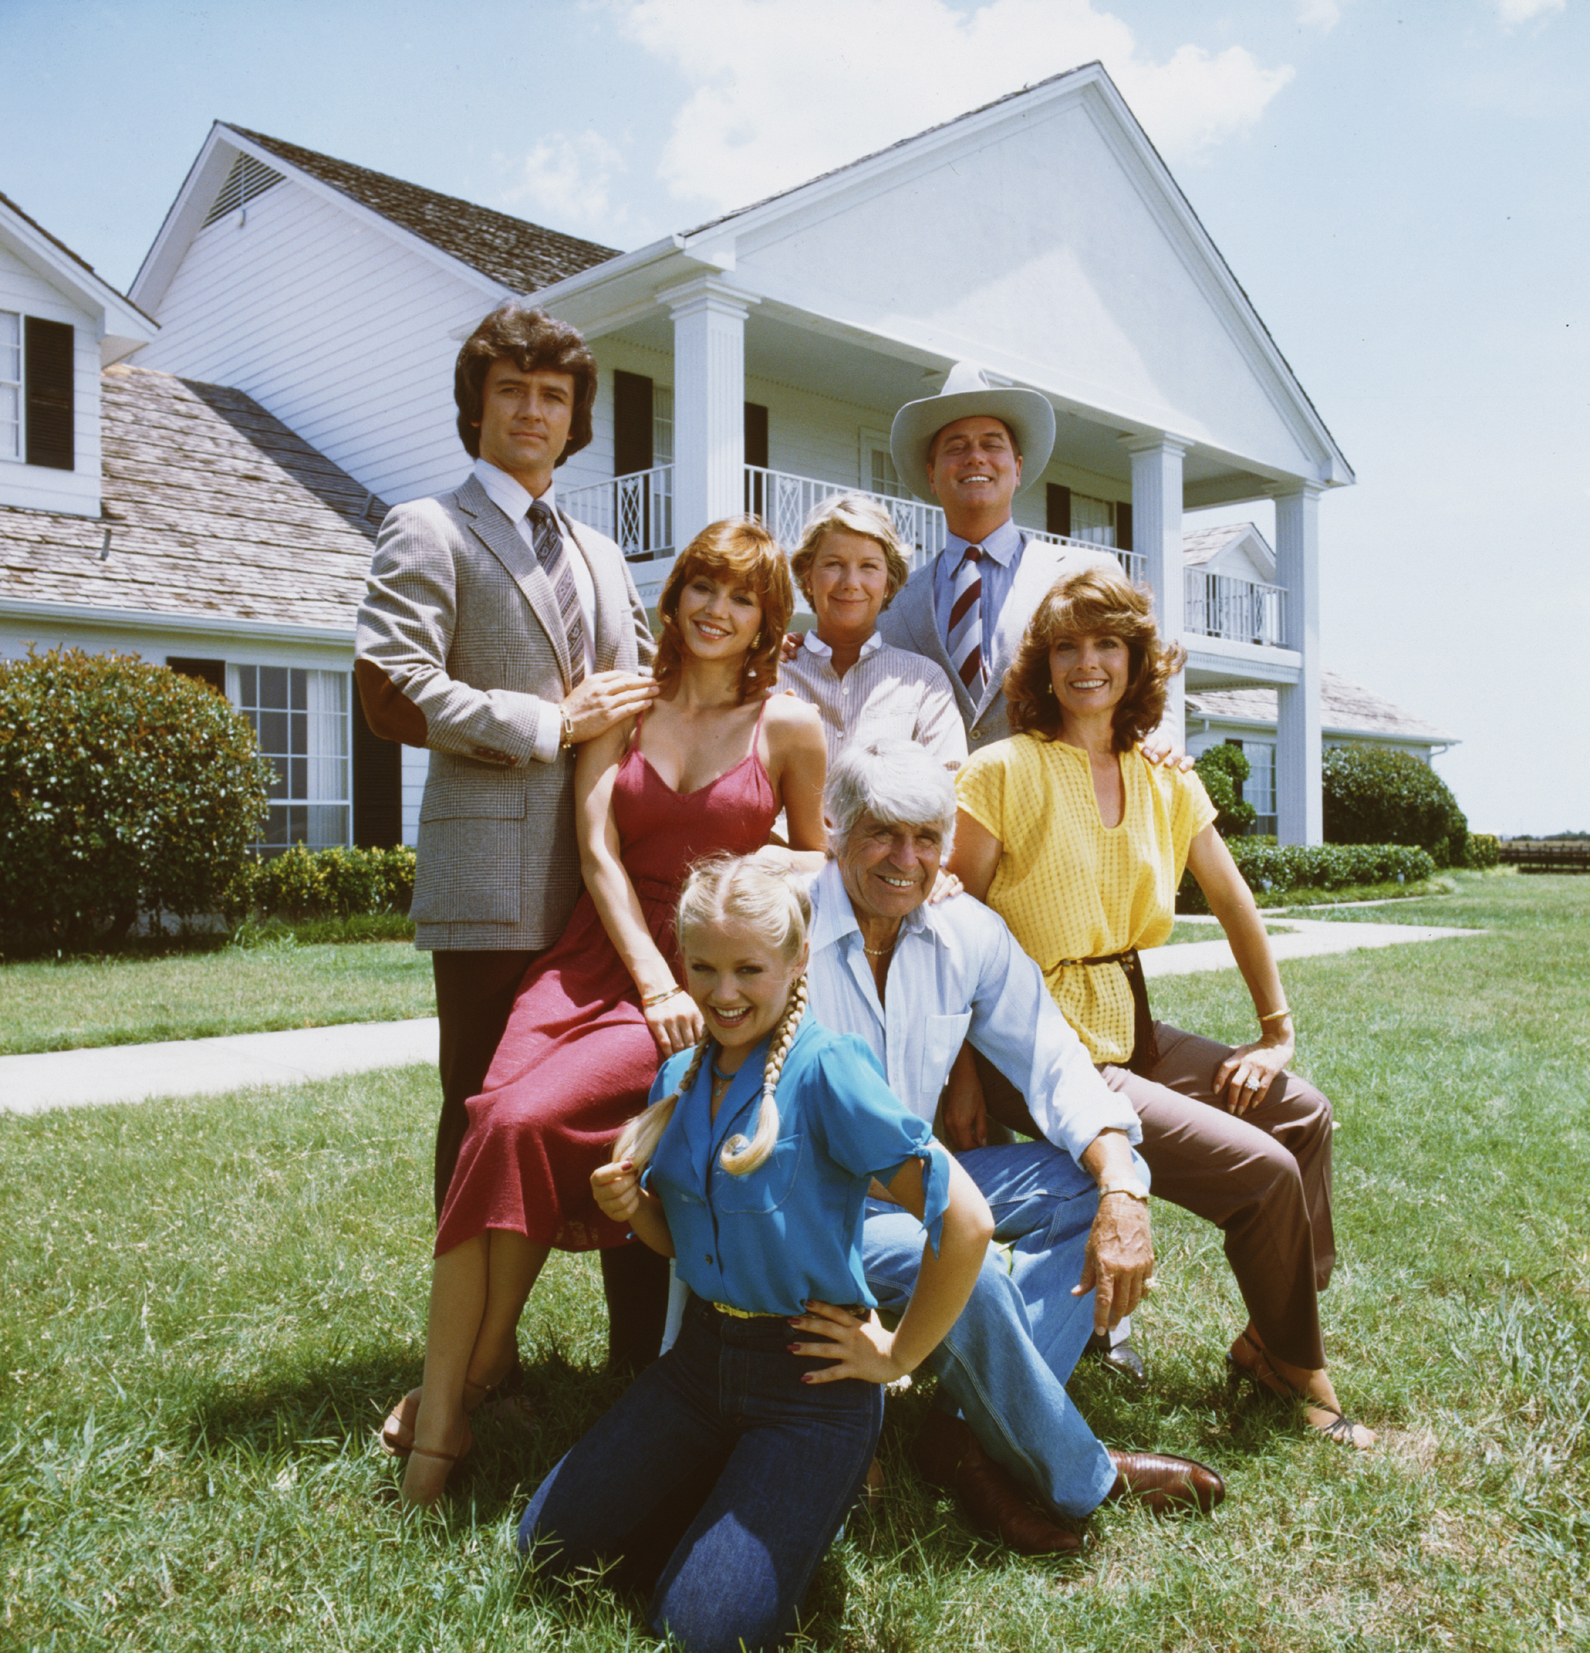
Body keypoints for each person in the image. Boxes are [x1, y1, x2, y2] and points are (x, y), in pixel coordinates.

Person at [387, 519, 829, 1501]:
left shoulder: (791, 727)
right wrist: (649, 977)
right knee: (496, 1123)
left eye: (742, 598)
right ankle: (467, 1379)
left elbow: (819, 856)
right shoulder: (626, 708)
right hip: (600, 960)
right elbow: (595, 854)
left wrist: (757, 876)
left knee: (524, 1123)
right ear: (671, 601)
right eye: (701, 589)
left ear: (767, 621)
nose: (717, 610)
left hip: (711, 980)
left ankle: (461, 1388)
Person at [517, 855, 994, 1653]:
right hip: (700, 1363)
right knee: (550, 1549)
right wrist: (637, 1209)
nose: (723, 992)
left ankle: (771, 1500)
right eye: (702, 967)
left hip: (810, 1382)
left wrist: (896, 1351)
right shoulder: (678, 1072)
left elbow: (968, 1221)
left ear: (796, 961)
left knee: (699, 1635)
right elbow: (695, 1245)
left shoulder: (827, 1068)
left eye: (748, 969)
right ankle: (723, 1490)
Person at [949, 566, 1374, 1449]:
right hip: (1038, 1043)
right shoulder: (1001, 770)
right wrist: (962, 1076)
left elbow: (1232, 898)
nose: (1087, 663)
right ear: (1044, 665)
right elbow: (948, 934)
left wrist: (1277, 1032)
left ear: (1138, 662)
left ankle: (1268, 1333)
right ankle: (1300, 1365)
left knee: (1301, 1116)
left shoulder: (1163, 776)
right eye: (1066, 646)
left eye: (1107, 644)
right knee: (1260, 1172)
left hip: (1127, 1018)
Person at [800, 738, 1224, 1556]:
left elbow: (1054, 1061)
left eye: (927, 836)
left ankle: (962, 1429)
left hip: (924, 1186)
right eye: (881, 833)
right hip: (816, 1201)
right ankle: (1080, 1472)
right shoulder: (785, 919)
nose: (907, 858)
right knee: (974, 1270)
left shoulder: (965, 931)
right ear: (832, 829)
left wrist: (1121, 1187)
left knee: (1085, 1181)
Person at [354, 302, 662, 1361]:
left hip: (613, 889)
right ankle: (478, 1358)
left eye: (554, 396)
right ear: (475, 408)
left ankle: (640, 1358)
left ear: (576, 420)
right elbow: (390, 692)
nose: (533, 412)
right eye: (512, 391)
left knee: (636, 1101)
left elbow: (656, 690)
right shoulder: (426, 527)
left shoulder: (604, 552)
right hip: (490, 882)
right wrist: (543, 726)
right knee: (484, 1116)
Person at [875, 360, 1118, 756]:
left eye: (991, 443)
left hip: (1056, 810)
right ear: (932, 475)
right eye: (956, 447)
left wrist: (1159, 740)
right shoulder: (893, 604)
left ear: (1017, 469)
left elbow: (1144, 684)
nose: (975, 457)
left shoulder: (1086, 573)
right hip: (934, 815)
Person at [779, 494, 966, 770]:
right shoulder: (772, 673)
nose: (851, 583)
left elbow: (947, 793)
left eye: (869, 566)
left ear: (889, 583)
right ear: (808, 577)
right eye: (833, 564)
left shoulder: (923, 682)